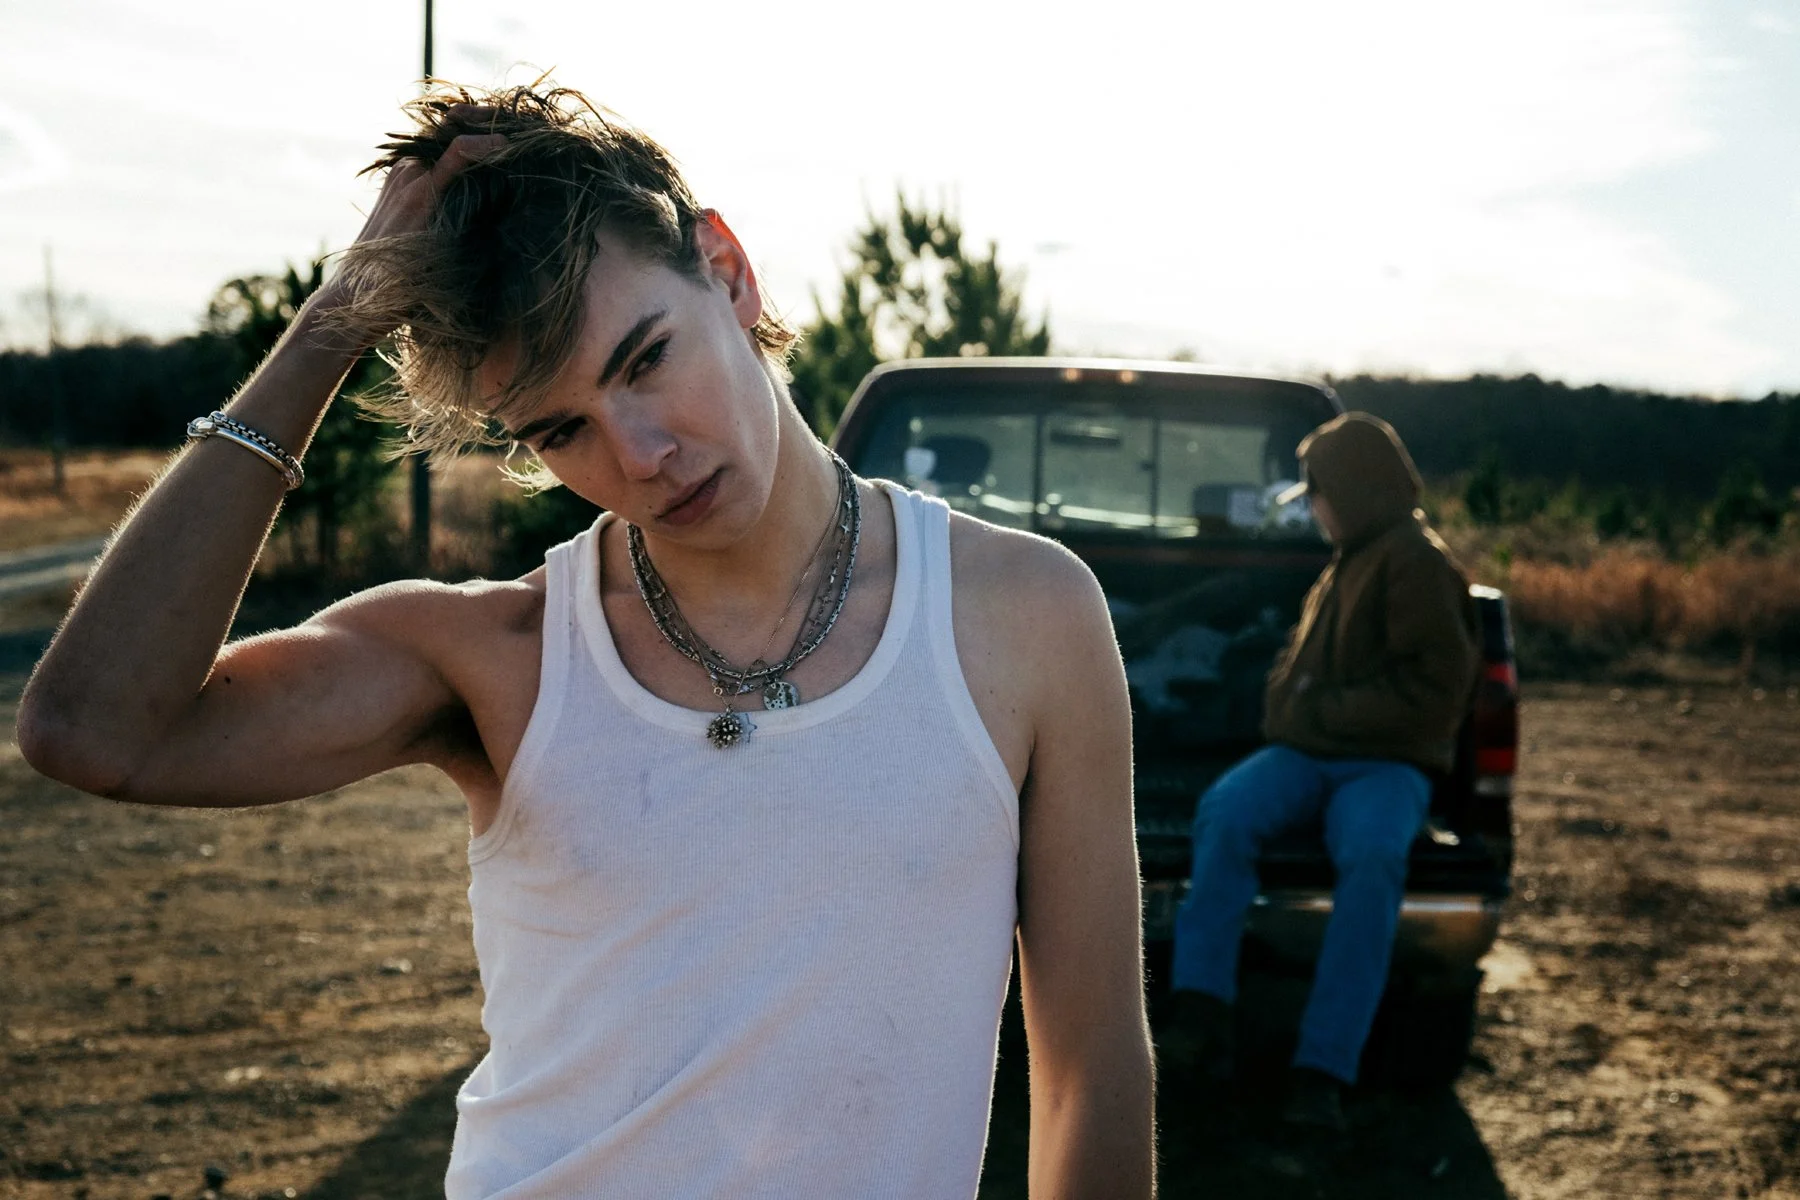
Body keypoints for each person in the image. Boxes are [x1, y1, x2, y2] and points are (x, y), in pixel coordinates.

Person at [17, 85, 1154, 1198]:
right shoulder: (500, 654)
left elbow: (1093, 1075)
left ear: (729, 269)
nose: (641, 453)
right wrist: (330, 330)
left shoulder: (1023, 616)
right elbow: (91, 730)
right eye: (563, 429)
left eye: (646, 358)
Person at [1163, 412, 1479, 1132]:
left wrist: (1316, 712)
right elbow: (1291, 680)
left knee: (1371, 859)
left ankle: (1323, 1068)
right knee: (1225, 811)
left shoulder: (1415, 563)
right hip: (1307, 756)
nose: (1313, 505)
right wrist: (1294, 706)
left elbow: (1436, 693)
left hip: (1385, 769)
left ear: (1360, 489)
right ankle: (1203, 1014)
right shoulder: (1348, 559)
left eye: (1320, 490)